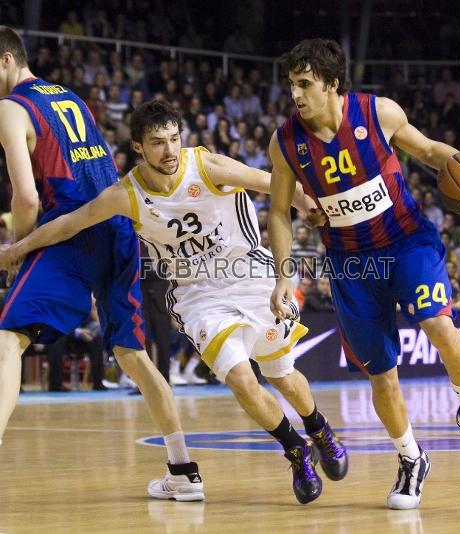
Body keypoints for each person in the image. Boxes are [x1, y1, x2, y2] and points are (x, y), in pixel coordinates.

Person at [0, 100, 348, 505]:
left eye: (174, 139)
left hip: (248, 276)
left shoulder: (208, 166)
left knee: (283, 376)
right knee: (240, 379)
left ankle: (318, 427)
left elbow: (274, 183)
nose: (169, 151)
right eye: (157, 143)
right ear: (138, 147)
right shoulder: (126, 194)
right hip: (197, 293)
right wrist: (17, 249)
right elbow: (69, 223)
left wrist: (306, 204)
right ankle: (295, 449)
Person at [268, 39, 460, 511]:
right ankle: (411, 458)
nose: (296, 94)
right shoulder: (286, 143)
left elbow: (428, 152)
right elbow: (279, 211)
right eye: (292, 85)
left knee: (438, 322)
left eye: (305, 84)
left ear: (332, 84)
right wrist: (283, 274)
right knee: (382, 375)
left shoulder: (377, 113)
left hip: (406, 240)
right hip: (350, 263)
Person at [0, 27, 204, 501]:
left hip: (71, 228)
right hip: (117, 224)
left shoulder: (11, 107)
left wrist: (17, 249)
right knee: (133, 356)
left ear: (7, 59)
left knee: (8, 339)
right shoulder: (69, 96)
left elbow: (27, 196)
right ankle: (183, 469)